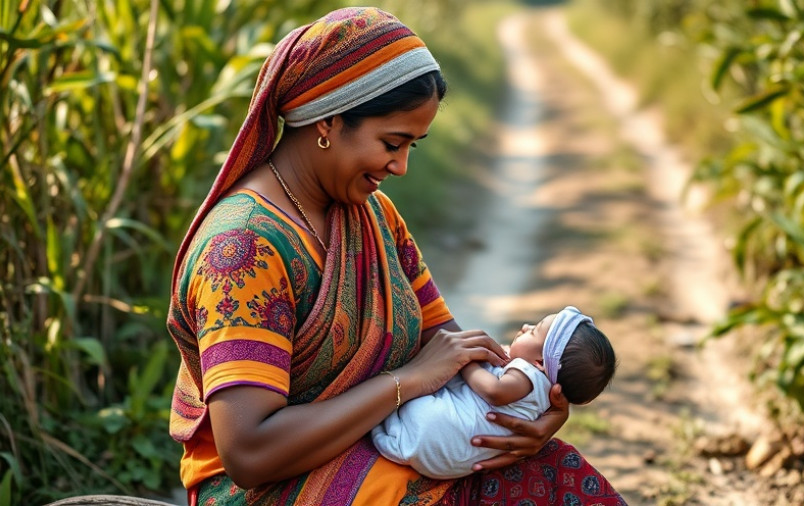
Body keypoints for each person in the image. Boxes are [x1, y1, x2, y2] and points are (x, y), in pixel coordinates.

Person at [166, 7, 626, 505]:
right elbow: (251, 454)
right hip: (278, 487)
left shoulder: (373, 217)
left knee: (555, 475)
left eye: (412, 146)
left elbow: (444, 340)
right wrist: (403, 383)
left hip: (387, 440)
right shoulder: (242, 251)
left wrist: (530, 406)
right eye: (392, 142)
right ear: (329, 120)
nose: (402, 166)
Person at [372, 306, 617, 479]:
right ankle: (390, 433)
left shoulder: (527, 375)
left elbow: (494, 391)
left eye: (533, 331)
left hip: (433, 430)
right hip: (448, 462)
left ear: (540, 363)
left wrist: (464, 361)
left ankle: (379, 418)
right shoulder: (542, 400)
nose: (525, 326)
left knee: (422, 398)